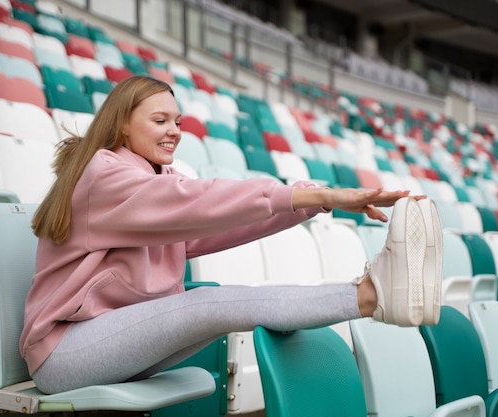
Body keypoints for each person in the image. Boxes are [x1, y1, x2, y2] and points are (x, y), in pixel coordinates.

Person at [22, 75, 443, 394]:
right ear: (122, 126)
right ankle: (371, 296)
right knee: (208, 300)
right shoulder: (106, 176)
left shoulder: (157, 180)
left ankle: (375, 295)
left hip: (113, 336)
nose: (174, 130)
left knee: (216, 300)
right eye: (159, 120)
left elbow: (220, 220)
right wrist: (319, 192)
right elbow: (201, 201)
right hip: (64, 351)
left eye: (177, 120)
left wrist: (316, 199)